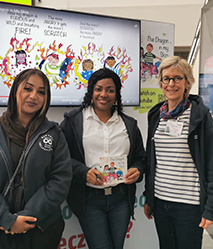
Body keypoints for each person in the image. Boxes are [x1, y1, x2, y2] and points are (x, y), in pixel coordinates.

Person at [0, 68, 72, 249]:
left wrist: (29, 216)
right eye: (28, 89)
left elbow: (60, 180)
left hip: (42, 228)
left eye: (41, 92)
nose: (33, 96)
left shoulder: (54, 133)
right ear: (15, 91)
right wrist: (7, 219)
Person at [60, 68, 146, 249]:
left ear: (116, 94)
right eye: (98, 89)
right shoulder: (73, 121)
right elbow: (61, 158)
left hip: (120, 199)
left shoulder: (129, 124)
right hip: (90, 200)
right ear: (91, 91)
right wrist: (83, 172)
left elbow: (140, 158)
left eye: (110, 90)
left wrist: (137, 170)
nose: (104, 94)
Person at [143, 56, 213, 249]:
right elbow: (152, 160)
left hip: (189, 205)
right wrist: (150, 196)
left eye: (177, 78)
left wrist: (211, 207)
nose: (171, 84)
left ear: (187, 82)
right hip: (161, 202)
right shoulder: (155, 115)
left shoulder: (199, 116)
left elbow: (212, 162)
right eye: (166, 79)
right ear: (161, 82)